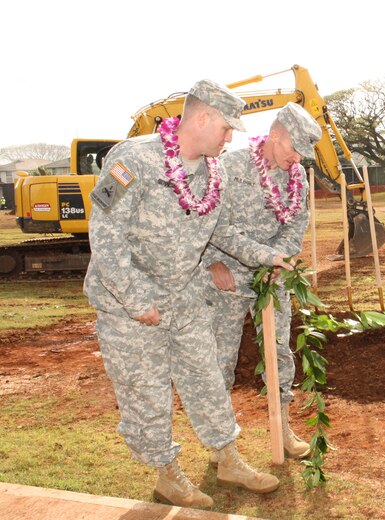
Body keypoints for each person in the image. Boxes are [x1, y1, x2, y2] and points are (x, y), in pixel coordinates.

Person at [84, 79, 293, 509]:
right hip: (132, 305)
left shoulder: (213, 174)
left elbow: (223, 233)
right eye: (226, 128)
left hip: (185, 298)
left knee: (207, 380)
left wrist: (268, 256)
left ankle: (227, 457)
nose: (231, 137)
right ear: (202, 118)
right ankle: (167, 475)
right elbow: (104, 229)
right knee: (147, 390)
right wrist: (134, 300)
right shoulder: (133, 159)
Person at [202, 102, 322, 460]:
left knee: (279, 353)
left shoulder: (296, 179)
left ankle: (282, 427)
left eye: (303, 151)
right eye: (294, 147)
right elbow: (206, 220)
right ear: (275, 136)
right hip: (226, 274)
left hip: (270, 277)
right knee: (221, 357)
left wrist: (278, 261)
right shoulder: (230, 166)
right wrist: (211, 262)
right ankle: (221, 445)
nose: (298, 157)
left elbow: (295, 225)